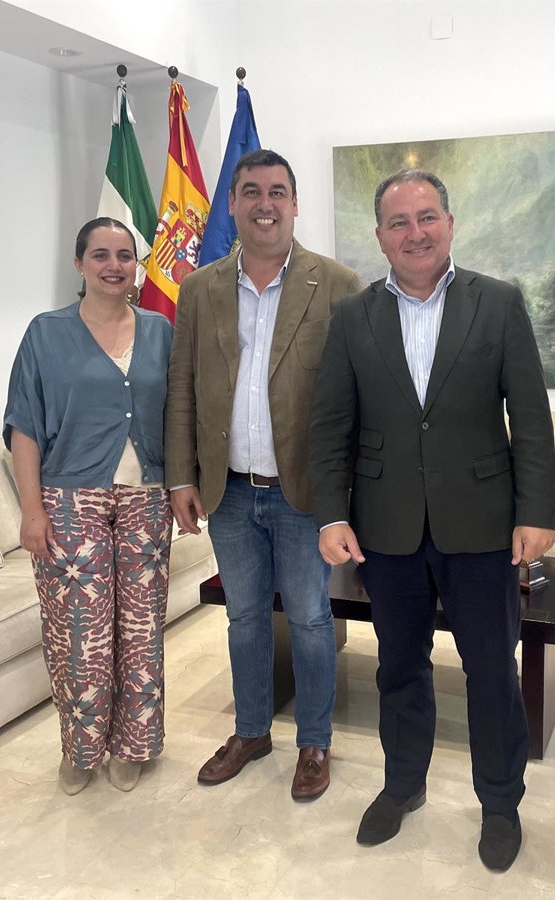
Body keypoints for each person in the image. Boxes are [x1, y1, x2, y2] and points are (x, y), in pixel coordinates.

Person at [309, 168, 555, 872]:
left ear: (449, 223)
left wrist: (536, 512)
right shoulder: (353, 316)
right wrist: (331, 515)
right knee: (399, 667)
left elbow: (530, 418)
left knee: (492, 670)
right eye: (399, 222)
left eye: (426, 218)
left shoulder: (498, 303)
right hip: (385, 529)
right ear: (380, 235)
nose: (414, 233)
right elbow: (330, 427)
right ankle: (402, 785)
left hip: (481, 526)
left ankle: (500, 802)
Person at [165, 149, 362, 801]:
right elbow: (182, 386)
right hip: (226, 492)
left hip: (302, 496)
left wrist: (345, 499)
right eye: (251, 191)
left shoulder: (337, 283)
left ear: (295, 204)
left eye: (278, 191)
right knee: (245, 618)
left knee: (309, 619)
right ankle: (251, 732)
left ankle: (314, 742)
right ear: (232, 204)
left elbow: (355, 397)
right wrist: (181, 476)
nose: (265, 203)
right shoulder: (199, 288)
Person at [4, 217, 174, 796]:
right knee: (80, 634)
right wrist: (31, 510)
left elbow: (180, 413)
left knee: (142, 630)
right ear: (79, 264)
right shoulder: (45, 334)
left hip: (146, 498)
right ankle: (80, 750)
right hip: (69, 500)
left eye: (125, 255)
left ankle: (135, 745)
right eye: (100, 255)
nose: (113, 266)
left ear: (136, 266)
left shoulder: (160, 331)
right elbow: (24, 426)